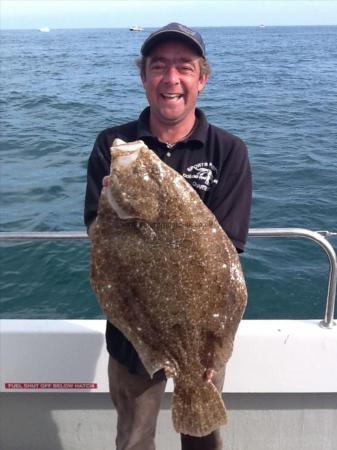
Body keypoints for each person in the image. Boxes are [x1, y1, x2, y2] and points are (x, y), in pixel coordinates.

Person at [84, 22, 252, 450]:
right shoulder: (111, 144)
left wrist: (213, 347)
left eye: (184, 67)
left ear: (202, 79)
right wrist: (112, 211)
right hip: (132, 332)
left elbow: (228, 250)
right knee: (134, 439)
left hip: (200, 336)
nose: (171, 78)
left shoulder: (229, 152)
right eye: (158, 67)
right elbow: (95, 234)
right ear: (143, 78)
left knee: (202, 437)